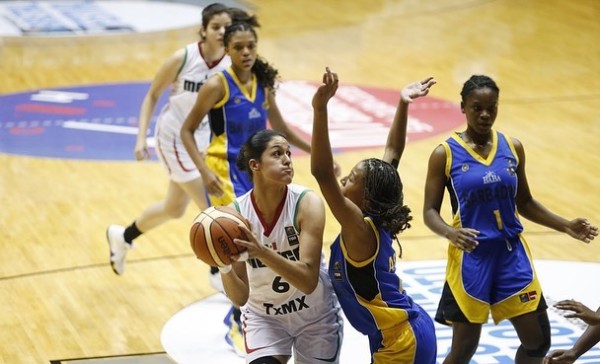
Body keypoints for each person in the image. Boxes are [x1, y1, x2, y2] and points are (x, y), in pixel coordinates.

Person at [180, 18, 339, 359]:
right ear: (226, 50)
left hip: (261, 170)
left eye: (251, 46)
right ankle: (250, 317)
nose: (247, 52)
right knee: (229, 243)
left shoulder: (263, 83)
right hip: (225, 172)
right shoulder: (215, 85)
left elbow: (279, 128)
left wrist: (315, 151)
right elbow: (186, 130)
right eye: (238, 47)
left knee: (266, 244)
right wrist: (204, 170)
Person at [422, 74, 599, 363]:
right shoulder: (444, 154)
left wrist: (565, 225)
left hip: (510, 255)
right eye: (477, 107)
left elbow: (525, 202)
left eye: (492, 107)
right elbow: (429, 211)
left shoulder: (512, 147)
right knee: (464, 348)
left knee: (538, 341)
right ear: (463, 107)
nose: (485, 114)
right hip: (472, 258)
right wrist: (450, 233)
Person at [311, 68, 438, 363]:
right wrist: (403, 103)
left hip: (401, 341)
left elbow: (322, 173)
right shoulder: (378, 216)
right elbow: (393, 149)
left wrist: (320, 109)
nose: (345, 179)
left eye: (352, 177)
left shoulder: (359, 230)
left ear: (365, 197)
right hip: (399, 333)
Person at [106, 3, 235, 276]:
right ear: (203, 30)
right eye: (216, 27)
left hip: (202, 140)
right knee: (212, 207)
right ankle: (218, 272)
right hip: (173, 138)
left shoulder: (230, 62)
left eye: (227, 26)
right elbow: (152, 94)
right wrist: (141, 138)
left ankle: (123, 236)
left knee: (174, 208)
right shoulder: (184, 58)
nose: (222, 31)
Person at [218, 129, 343, 363]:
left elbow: (307, 281)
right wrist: (223, 266)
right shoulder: (236, 215)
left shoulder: (307, 203)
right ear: (255, 165)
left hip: (314, 317)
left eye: (288, 153)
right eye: (277, 154)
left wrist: (261, 252)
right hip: (265, 317)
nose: (287, 159)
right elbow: (240, 298)